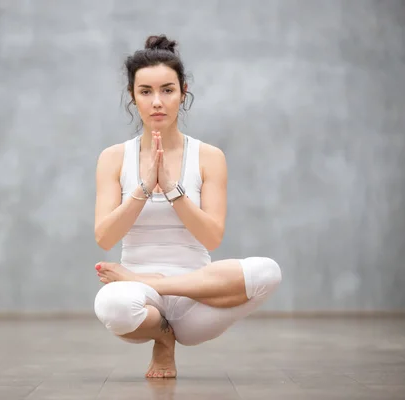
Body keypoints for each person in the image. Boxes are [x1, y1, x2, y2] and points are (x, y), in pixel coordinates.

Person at [92, 34, 282, 379]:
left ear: (183, 91)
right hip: (140, 298)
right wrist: (144, 188)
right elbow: (105, 237)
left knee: (268, 271)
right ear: (133, 97)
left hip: (197, 296)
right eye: (145, 92)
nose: (157, 102)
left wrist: (174, 191)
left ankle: (160, 297)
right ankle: (162, 336)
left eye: (167, 90)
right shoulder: (113, 158)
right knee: (111, 305)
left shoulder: (209, 157)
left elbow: (211, 238)